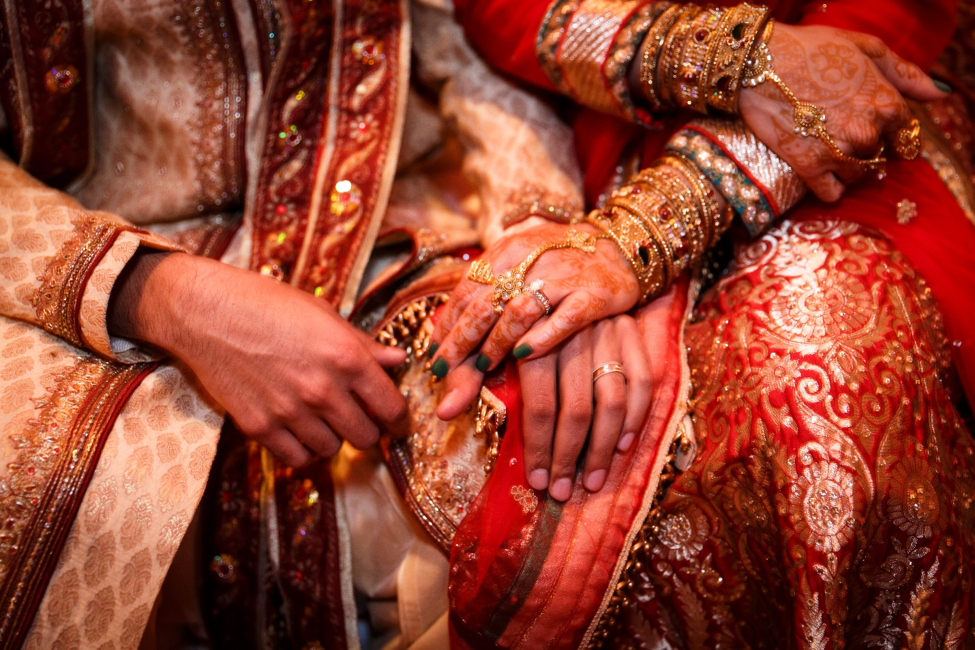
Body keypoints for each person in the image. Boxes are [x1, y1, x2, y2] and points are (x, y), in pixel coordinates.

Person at [0, 1, 972, 650]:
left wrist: (547, 257)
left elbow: (469, 46)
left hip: (415, 230)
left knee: (623, 469)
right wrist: (154, 292)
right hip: (70, 286)